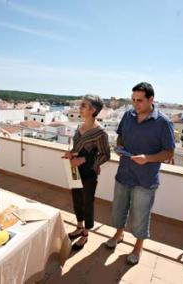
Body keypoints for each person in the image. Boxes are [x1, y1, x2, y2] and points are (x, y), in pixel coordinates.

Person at [105, 82, 175, 265]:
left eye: (140, 101)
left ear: (151, 99)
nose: (135, 104)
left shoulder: (163, 123)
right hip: (124, 173)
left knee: (140, 214)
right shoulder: (128, 115)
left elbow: (169, 152)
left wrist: (148, 158)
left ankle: (138, 247)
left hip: (145, 179)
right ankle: (118, 235)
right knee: (119, 209)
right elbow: (120, 135)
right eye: (133, 100)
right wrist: (120, 146)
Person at [63, 94, 110, 251]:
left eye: (83, 105)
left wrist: (83, 161)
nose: (80, 108)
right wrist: (71, 153)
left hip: (89, 173)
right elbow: (77, 149)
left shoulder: (100, 132)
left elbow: (105, 155)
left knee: (87, 202)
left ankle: (85, 234)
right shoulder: (80, 127)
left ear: (93, 110)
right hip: (74, 170)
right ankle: (79, 226)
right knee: (76, 199)